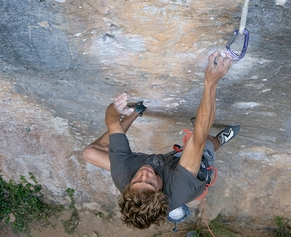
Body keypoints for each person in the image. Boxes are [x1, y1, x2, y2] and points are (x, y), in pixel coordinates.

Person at [82, 50, 240, 229]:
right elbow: (198, 138)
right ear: (161, 193)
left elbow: (111, 122)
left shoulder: (122, 175)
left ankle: (134, 113)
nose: (144, 173)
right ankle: (220, 140)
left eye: (136, 181)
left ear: (128, 187)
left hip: (164, 171)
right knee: (207, 143)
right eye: (150, 183)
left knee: (89, 153)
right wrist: (211, 81)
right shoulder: (179, 188)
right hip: (183, 178)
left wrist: (116, 108)